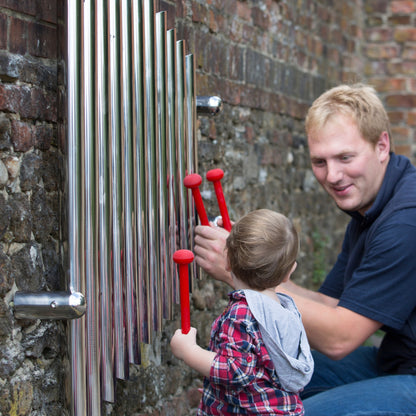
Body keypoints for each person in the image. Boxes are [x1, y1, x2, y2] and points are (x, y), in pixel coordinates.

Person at [193, 83, 416, 415]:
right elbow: (329, 304)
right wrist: (256, 263)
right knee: (264, 374)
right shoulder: (370, 207)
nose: (333, 176)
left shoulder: (404, 222)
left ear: (382, 145)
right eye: (320, 161)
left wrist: (238, 272)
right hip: (395, 361)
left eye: (345, 157)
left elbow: (339, 338)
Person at [170, 209, 314, 415]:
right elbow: (263, 371)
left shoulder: (242, 314)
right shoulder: (287, 311)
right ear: (289, 273)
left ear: (227, 262)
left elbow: (235, 371)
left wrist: (188, 352)